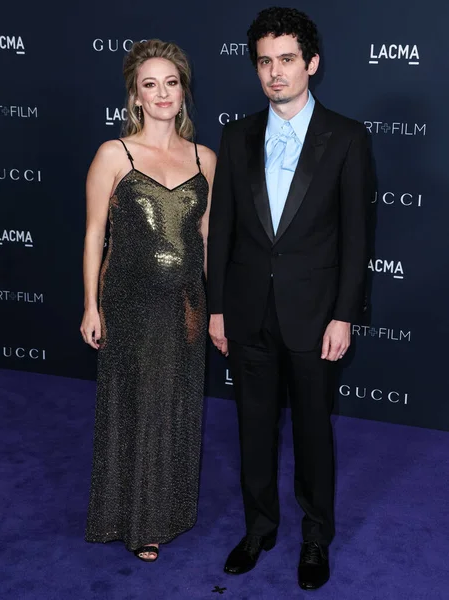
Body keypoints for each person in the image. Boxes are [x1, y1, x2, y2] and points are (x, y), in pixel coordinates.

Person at [208, 7, 374, 591]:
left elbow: (357, 238)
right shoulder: (236, 135)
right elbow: (222, 228)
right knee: (253, 428)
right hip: (248, 311)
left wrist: (344, 315)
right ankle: (259, 528)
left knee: (312, 431)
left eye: (286, 60)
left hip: (314, 316)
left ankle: (315, 535)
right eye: (265, 62)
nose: (275, 73)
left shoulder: (347, 137)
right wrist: (218, 307)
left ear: (312, 64)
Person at [80, 39, 216, 562]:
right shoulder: (115, 153)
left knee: (176, 404)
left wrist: (213, 307)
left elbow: (206, 239)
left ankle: (168, 509)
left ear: (183, 93)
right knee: (134, 404)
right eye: (149, 84)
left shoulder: (206, 158)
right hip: (129, 299)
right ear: (136, 97)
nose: (162, 93)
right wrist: (91, 306)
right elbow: (95, 234)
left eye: (171, 83)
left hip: (185, 300)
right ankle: (134, 519)